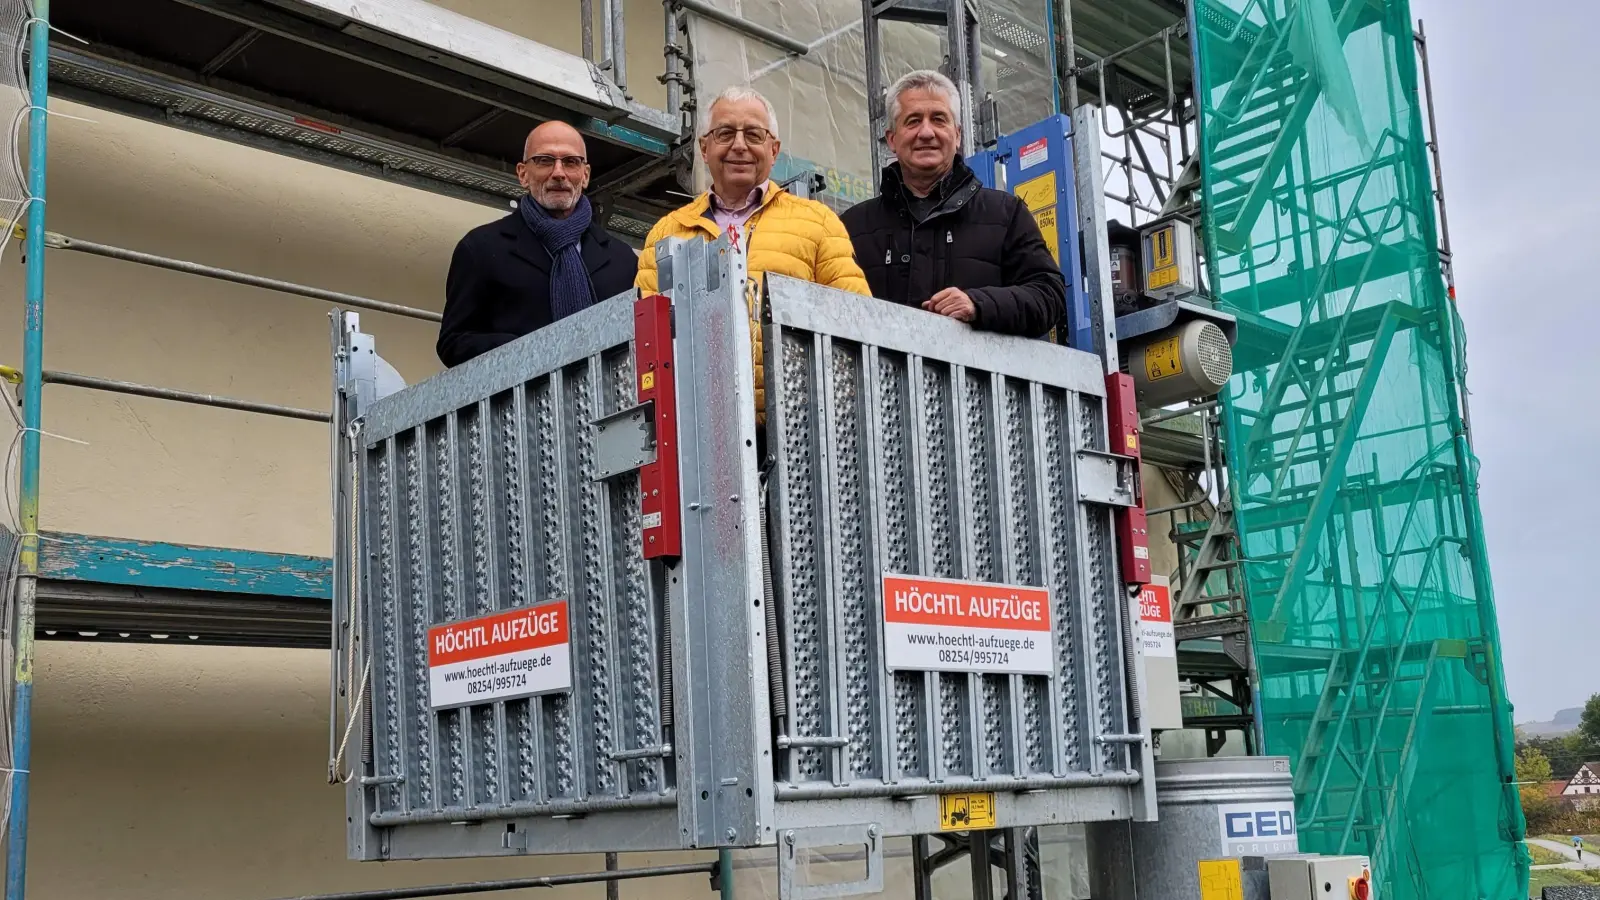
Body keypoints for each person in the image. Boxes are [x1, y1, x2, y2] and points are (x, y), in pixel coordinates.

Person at [635, 85, 870, 417]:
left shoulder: (818, 223)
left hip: (797, 423)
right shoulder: (666, 232)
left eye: (754, 135)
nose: (739, 145)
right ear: (704, 148)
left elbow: (856, 321)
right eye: (725, 133)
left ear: (774, 150)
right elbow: (646, 338)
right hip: (695, 425)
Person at [840, 69, 1065, 338]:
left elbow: (1049, 295)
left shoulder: (1006, 215)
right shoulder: (850, 228)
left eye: (938, 119)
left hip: (977, 380)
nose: (926, 132)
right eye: (912, 121)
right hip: (882, 380)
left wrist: (978, 305)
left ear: (957, 135)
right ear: (892, 140)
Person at [437, 121, 640, 367]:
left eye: (570, 162)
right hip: (520, 401)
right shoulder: (481, 249)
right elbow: (454, 343)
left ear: (585, 175)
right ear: (523, 174)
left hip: (607, 401)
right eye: (544, 161)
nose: (558, 173)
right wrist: (532, 351)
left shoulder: (622, 260)